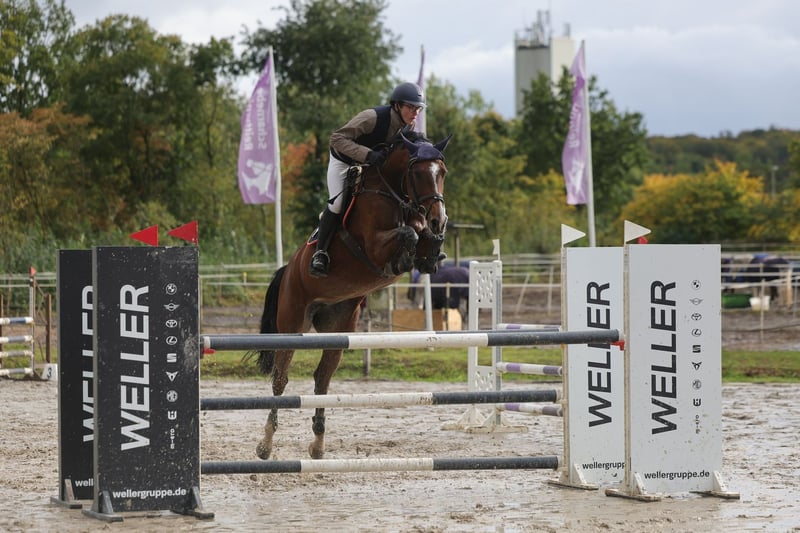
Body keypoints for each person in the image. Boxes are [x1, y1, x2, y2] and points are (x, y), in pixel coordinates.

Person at [309, 81, 426, 278]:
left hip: (371, 166)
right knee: (337, 204)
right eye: (411, 107)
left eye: (418, 109)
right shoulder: (372, 118)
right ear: (397, 105)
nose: (415, 113)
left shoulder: (409, 125)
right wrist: (368, 154)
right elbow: (337, 139)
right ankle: (320, 253)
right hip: (344, 162)